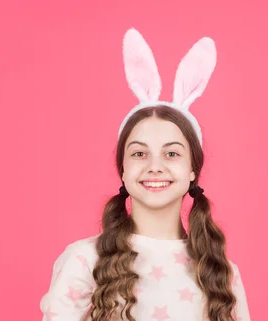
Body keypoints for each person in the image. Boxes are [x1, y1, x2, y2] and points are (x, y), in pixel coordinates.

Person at [39, 28, 251, 321]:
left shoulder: (220, 273)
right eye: (139, 153)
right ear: (123, 170)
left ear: (192, 171)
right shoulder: (84, 260)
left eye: (172, 153)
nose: (155, 165)